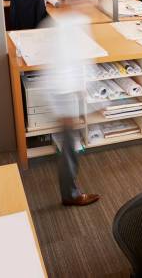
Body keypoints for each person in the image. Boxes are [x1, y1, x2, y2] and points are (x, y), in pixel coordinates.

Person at [46, 14, 101, 207]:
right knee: (69, 145)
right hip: (63, 91)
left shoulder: (61, 22)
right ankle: (70, 195)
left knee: (69, 143)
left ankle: (69, 192)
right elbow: (73, 61)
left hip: (62, 90)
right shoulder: (71, 24)